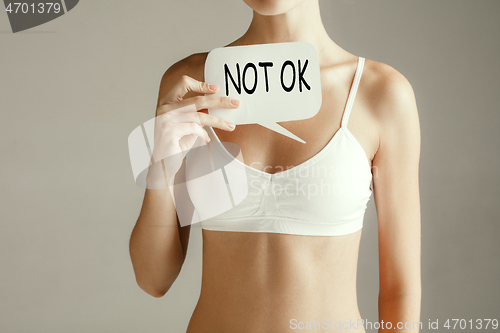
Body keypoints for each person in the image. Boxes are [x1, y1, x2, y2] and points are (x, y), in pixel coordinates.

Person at [129, 0, 421, 332]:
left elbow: (401, 291)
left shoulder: (379, 93)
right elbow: (153, 279)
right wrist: (161, 164)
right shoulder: (190, 86)